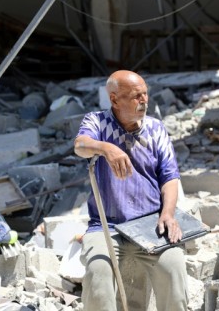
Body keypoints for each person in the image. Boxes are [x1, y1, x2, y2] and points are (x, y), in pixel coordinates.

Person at [74, 70, 188, 311]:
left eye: (145, 94)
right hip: (107, 226)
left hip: (151, 223)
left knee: (175, 273)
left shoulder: (156, 129)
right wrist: (105, 148)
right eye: (137, 96)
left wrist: (167, 213)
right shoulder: (97, 122)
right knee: (98, 276)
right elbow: (81, 146)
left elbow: (170, 176)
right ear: (114, 99)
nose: (144, 100)